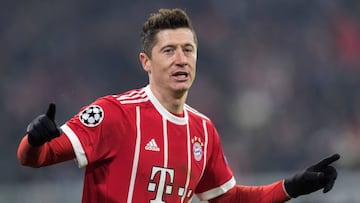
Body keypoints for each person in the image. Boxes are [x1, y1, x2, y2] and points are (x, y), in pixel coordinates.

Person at [17, 8, 340, 203]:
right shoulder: (115, 113)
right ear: (146, 61)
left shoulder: (203, 130)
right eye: (169, 50)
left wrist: (291, 187)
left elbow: (226, 198)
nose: (181, 59)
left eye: (188, 49)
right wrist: (33, 139)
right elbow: (35, 158)